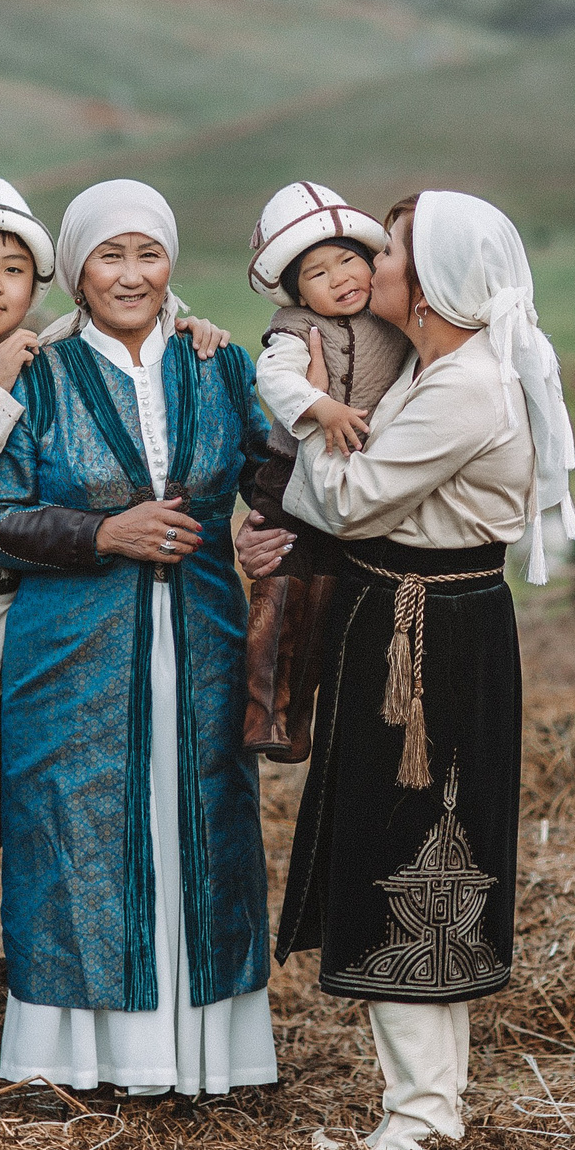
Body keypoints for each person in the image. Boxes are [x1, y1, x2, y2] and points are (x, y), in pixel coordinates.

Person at [0, 176, 229, 1114]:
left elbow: (131, 308)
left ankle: (13, 1036)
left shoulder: (49, 354)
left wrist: (197, 327)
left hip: (23, 641)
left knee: (29, 840)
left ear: (41, 285)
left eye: (15, 269)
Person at [243, 189, 575, 1150]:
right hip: (412, 619)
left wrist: (308, 413)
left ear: (425, 285)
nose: (366, 265)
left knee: (414, 847)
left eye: (384, 252)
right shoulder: (440, 368)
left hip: (424, 636)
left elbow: (348, 502)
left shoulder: (461, 389)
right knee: (414, 842)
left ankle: (424, 1116)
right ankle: (422, 1102)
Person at [0, 179, 279, 1098]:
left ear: (172, 263)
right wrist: (105, 533)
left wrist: (266, 526)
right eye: (111, 255)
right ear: (75, 270)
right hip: (70, 658)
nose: (132, 274)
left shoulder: (218, 364)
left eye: (149, 253)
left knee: (204, 826)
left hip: (205, 643)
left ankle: (202, 1058)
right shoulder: (39, 373)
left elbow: (273, 472)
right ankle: (82, 1063)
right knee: (74, 830)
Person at [239, 182, 412, 762]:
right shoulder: (293, 332)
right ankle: (266, 710)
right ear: (296, 292)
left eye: (348, 260)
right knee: (283, 588)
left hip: (351, 483)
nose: (339, 278)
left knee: (331, 601)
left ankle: (304, 717)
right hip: (289, 480)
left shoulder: (392, 326)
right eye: (317, 273)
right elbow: (276, 381)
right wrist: (320, 407)